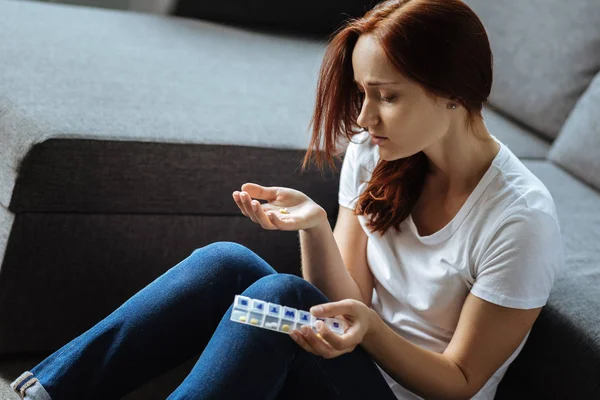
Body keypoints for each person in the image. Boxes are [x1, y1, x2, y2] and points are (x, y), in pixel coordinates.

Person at [11, 0, 564, 399]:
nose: (366, 118)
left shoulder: (519, 219)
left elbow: (460, 382)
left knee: (282, 295)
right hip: (347, 361)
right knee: (225, 263)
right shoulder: (376, 153)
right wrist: (316, 226)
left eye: (387, 97)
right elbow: (342, 301)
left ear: (453, 93)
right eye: (363, 93)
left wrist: (370, 331)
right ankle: (43, 392)